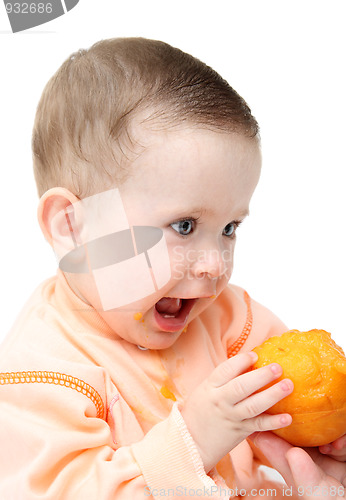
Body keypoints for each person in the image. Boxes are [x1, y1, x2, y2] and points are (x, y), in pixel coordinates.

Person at [0, 37, 344, 499]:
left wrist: (316, 452)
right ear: (71, 226)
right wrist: (194, 442)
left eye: (228, 228)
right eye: (184, 225)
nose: (214, 264)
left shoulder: (229, 321)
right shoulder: (40, 374)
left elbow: (279, 438)